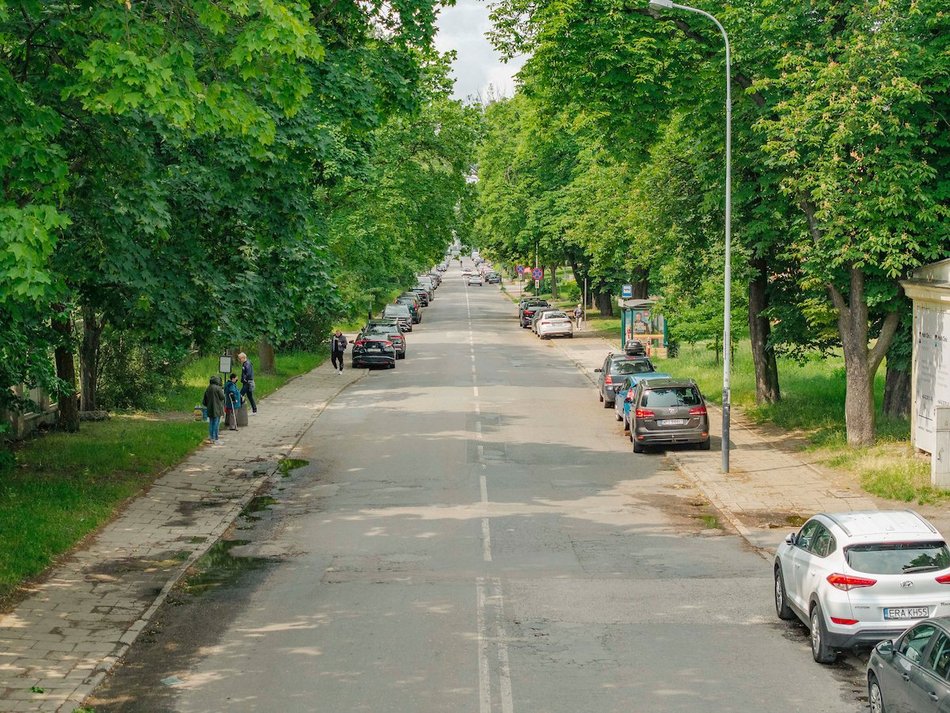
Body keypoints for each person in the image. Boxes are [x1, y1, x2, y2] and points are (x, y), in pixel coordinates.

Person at [202, 375, 225, 444]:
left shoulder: (208, 388)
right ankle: (216, 439)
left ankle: (211, 438)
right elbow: (222, 397)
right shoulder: (218, 388)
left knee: (211, 423)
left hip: (210, 408)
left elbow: (204, 401)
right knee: (216, 424)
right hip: (217, 408)